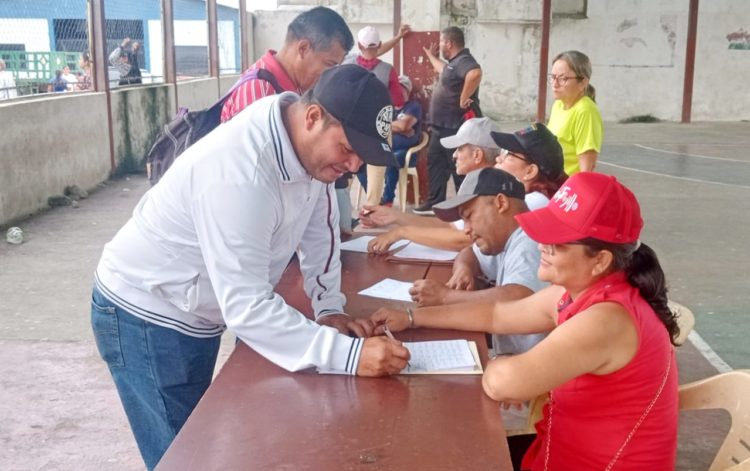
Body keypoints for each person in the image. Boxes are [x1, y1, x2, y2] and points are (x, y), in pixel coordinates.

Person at [91, 65, 407, 470]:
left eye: (359, 157)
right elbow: (246, 307)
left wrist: (329, 307)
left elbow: (321, 225)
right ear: (313, 118)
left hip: (195, 310)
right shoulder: (239, 170)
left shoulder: (308, 151)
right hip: (144, 314)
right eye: (347, 149)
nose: (351, 165)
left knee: (205, 444)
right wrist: (348, 356)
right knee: (185, 459)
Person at [371, 172, 680, 470]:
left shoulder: (607, 319)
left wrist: (505, 363)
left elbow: (505, 383)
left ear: (600, 260)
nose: (542, 245)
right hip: (562, 451)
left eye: (558, 242)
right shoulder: (578, 291)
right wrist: (412, 318)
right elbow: (497, 314)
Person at [413, 167, 548, 356]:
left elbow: (518, 296)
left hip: (534, 372)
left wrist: (446, 297)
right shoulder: (506, 237)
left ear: (500, 203)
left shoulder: (530, 240)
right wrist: (464, 268)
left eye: (469, 216)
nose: (466, 229)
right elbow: (469, 252)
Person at [363, 117, 498, 254]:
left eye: (460, 149)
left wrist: (402, 232)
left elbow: (465, 239)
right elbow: (452, 227)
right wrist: (396, 217)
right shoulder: (476, 181)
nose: (454, 155)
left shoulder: (492, 188)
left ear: (477, 155)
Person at [221, 6, 353, 123]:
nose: (331, 74)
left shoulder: (296, 85)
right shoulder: (260, 92)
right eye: (330, 64)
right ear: (303, 48)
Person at [414, 26, 482, 214]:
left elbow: (475, 73)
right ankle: (434, 203)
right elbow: (444, 70)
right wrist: (430, 56)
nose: (441, 45)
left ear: (450, 43)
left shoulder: (465, 61)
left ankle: (464, 207)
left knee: (458, 167)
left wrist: (464, 97)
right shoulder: (454, 64)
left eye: (442, 41)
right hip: (440, 127)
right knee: (435, 164)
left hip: (454, 128)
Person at [346, 24, 410, 206]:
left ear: (359, 45)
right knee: (376, 170)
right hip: (378, 126)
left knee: (345, 167)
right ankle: (371, 211)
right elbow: (398, 101)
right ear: (379, 44)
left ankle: (342, 210)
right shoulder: (388, 70)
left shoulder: (347, 64)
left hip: (351, 126)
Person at [546, 50, 603, 175]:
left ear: (582, 83)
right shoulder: (558, 105)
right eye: (552, 77)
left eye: (563, 78)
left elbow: (586, 170)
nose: (555, 84)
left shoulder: (586, 111)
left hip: (567, 188)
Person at [380, 74, 422, 206]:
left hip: (407, 152)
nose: (397, 92)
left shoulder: (413, 107)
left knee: (394, 158)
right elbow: (376, 125)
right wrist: (399, 127)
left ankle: (387, 199)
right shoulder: (388, 108)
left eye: (401, 89)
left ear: (408, 91)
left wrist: (393, 126)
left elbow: (404, 125)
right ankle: (373, 195)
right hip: (385, 148)